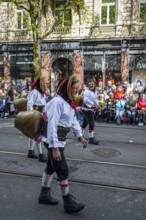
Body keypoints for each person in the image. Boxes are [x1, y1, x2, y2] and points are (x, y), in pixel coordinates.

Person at [38, 74, 88, 213]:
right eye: (74, 88)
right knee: (62, 169)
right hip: (53, 140)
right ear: (67, 88)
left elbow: (72, 122)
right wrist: (55, 148)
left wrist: (80, 136)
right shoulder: (57, 102)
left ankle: (44, 194)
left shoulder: (68, 103)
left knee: (50, 167)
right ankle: (68, 202)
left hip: (59, 140)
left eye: (77, 88)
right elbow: (52, 125)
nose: (75, 91)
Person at [26, 77, 49, 162]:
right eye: (44, 83)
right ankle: (40, 154)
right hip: (35, 115)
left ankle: (30, 151)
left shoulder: (41, 93)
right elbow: (29, 103)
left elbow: (44, 105)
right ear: (40, 84)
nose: (46, 85)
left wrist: (45, 113)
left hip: (40, 114)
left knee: (33, 134)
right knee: (37, 134)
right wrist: (32, 114)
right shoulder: (35, 92)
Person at [81, 79, 99, 144]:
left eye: (92, 84)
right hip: (86, 109)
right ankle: (91, 139)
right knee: (92, 124)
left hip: (91, 109)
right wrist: (93, 105)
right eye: (90, 84)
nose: (91, 85)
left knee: (85, 123)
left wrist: (97, 105)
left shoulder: (95, 91)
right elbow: (86, 100)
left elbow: (96, 99)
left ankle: (80, 136)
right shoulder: (86, 91)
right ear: (88, 85)